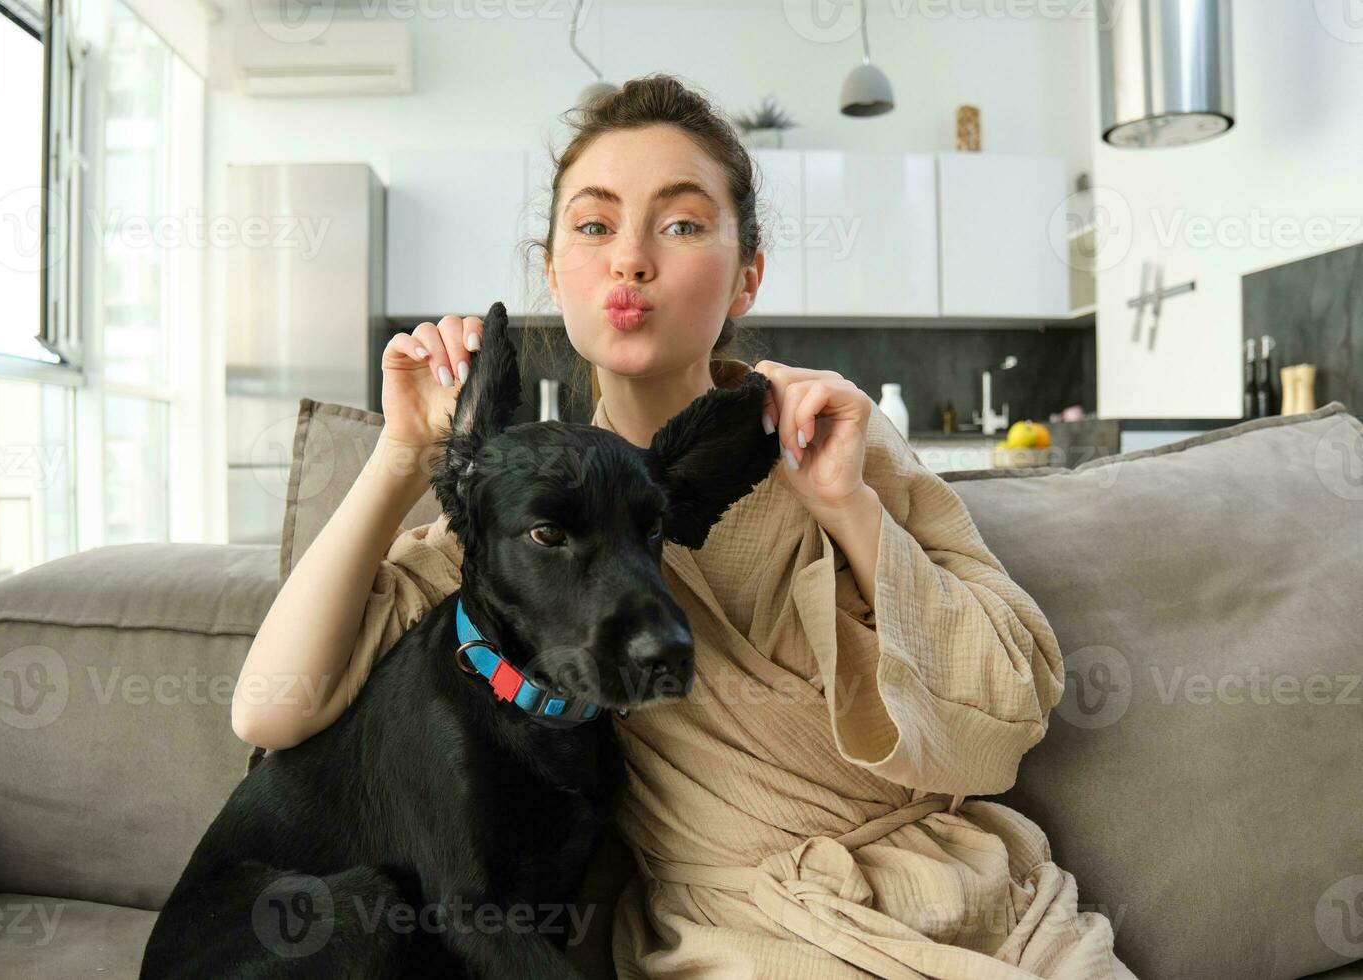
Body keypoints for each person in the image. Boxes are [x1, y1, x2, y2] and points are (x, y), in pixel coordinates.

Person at [232, 73, 1136, 980]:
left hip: (977, 906)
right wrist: (402, 455)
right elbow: (272, 704)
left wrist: (848, 508)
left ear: (747, 277)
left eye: (681, 223)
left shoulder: (839, 438)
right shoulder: (522, 516)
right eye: (593, 226)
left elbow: (1007, 713)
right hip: (743, 935)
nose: (630, 258)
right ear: (553, 271)